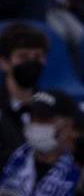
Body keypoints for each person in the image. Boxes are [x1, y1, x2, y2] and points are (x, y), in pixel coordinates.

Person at [0, 23, 48, 164]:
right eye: (23, 57)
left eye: (37, 57)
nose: (31, 62)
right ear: (4, 63)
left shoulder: (53, 105)